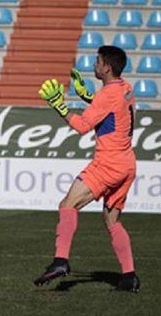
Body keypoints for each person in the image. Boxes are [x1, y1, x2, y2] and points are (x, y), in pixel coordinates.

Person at [34, 46, 140, 293]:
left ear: (107, 68)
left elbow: (82, 126)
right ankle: (129, 276)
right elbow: (113, 111)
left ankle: (60, 261)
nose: (94, 65)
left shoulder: (106, 94)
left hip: (108, 163)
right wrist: (87, 97)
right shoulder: (126, 88)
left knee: (67, 205)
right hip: (127, 163)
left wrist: (59, 106)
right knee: (112, 220)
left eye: (97, 61)